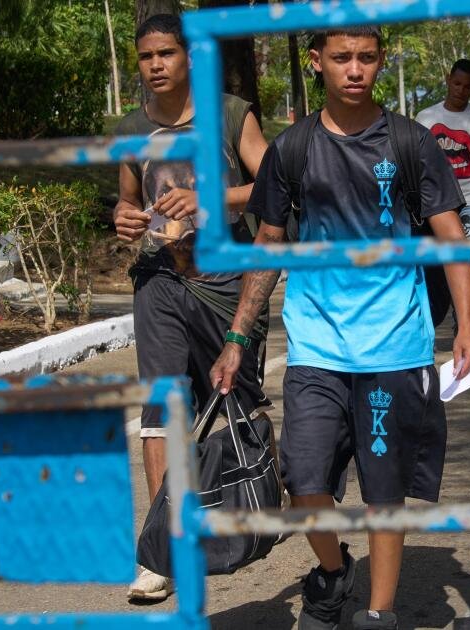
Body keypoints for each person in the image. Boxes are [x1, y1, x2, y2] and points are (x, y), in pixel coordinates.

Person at [209, 26, 470, 630]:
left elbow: (452, 238)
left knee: (384, 492)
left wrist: (468, 325)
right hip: (317, 345)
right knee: (303, 478)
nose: (355, 70)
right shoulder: (292, 148)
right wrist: (235, 338)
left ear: (381, 60)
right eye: (341, 58)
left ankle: (380, 613)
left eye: (366, 57)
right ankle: (334, 572)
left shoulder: (411, 142)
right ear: (317, 62)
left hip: (395, 347)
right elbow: (268, 244)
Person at [112, 13, 270, 603]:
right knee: (162, 408)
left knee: (236, 401)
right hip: (159, 277)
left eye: (166, 53)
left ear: (189, 58)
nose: (155, 65)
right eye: (145, 56)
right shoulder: (131, 129)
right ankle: (164, 552)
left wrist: (209, 200)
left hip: (224, 277)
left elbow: (273, 185)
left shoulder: (229, 114)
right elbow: (129, 202)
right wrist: (125, 220)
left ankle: (257, 499)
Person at [415, 59, 470, 330]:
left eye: (467, 87)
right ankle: (429, 324)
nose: (460, 90)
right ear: (448, 80)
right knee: (434, 266)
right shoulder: (425, 118)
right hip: (435, 205)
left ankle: (465, 326)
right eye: (457, 83)